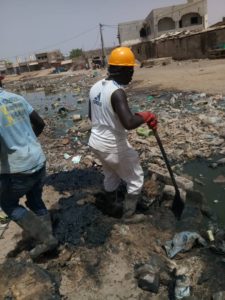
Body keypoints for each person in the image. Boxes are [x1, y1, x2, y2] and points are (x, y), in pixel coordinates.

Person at [88, 47, 157, 219]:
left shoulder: (95, 87)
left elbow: (91, 115)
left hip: (96, 141)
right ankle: (128, 216)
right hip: (112, 144)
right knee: (135, 177)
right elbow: (128, 123)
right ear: (120, 70)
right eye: (130, 70)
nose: (132, 75)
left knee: (111, 173)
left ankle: (112, 206)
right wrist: (145, 115)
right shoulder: (117, 92)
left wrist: (110, 120)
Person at [0, 76, 57, 259]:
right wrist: (28, 142)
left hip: (16, 170)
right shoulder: (17, 98)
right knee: (35, 200)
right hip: (38, 160)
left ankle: (47, 239)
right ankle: (49, 239)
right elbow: (40, 123)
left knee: (8, 204)